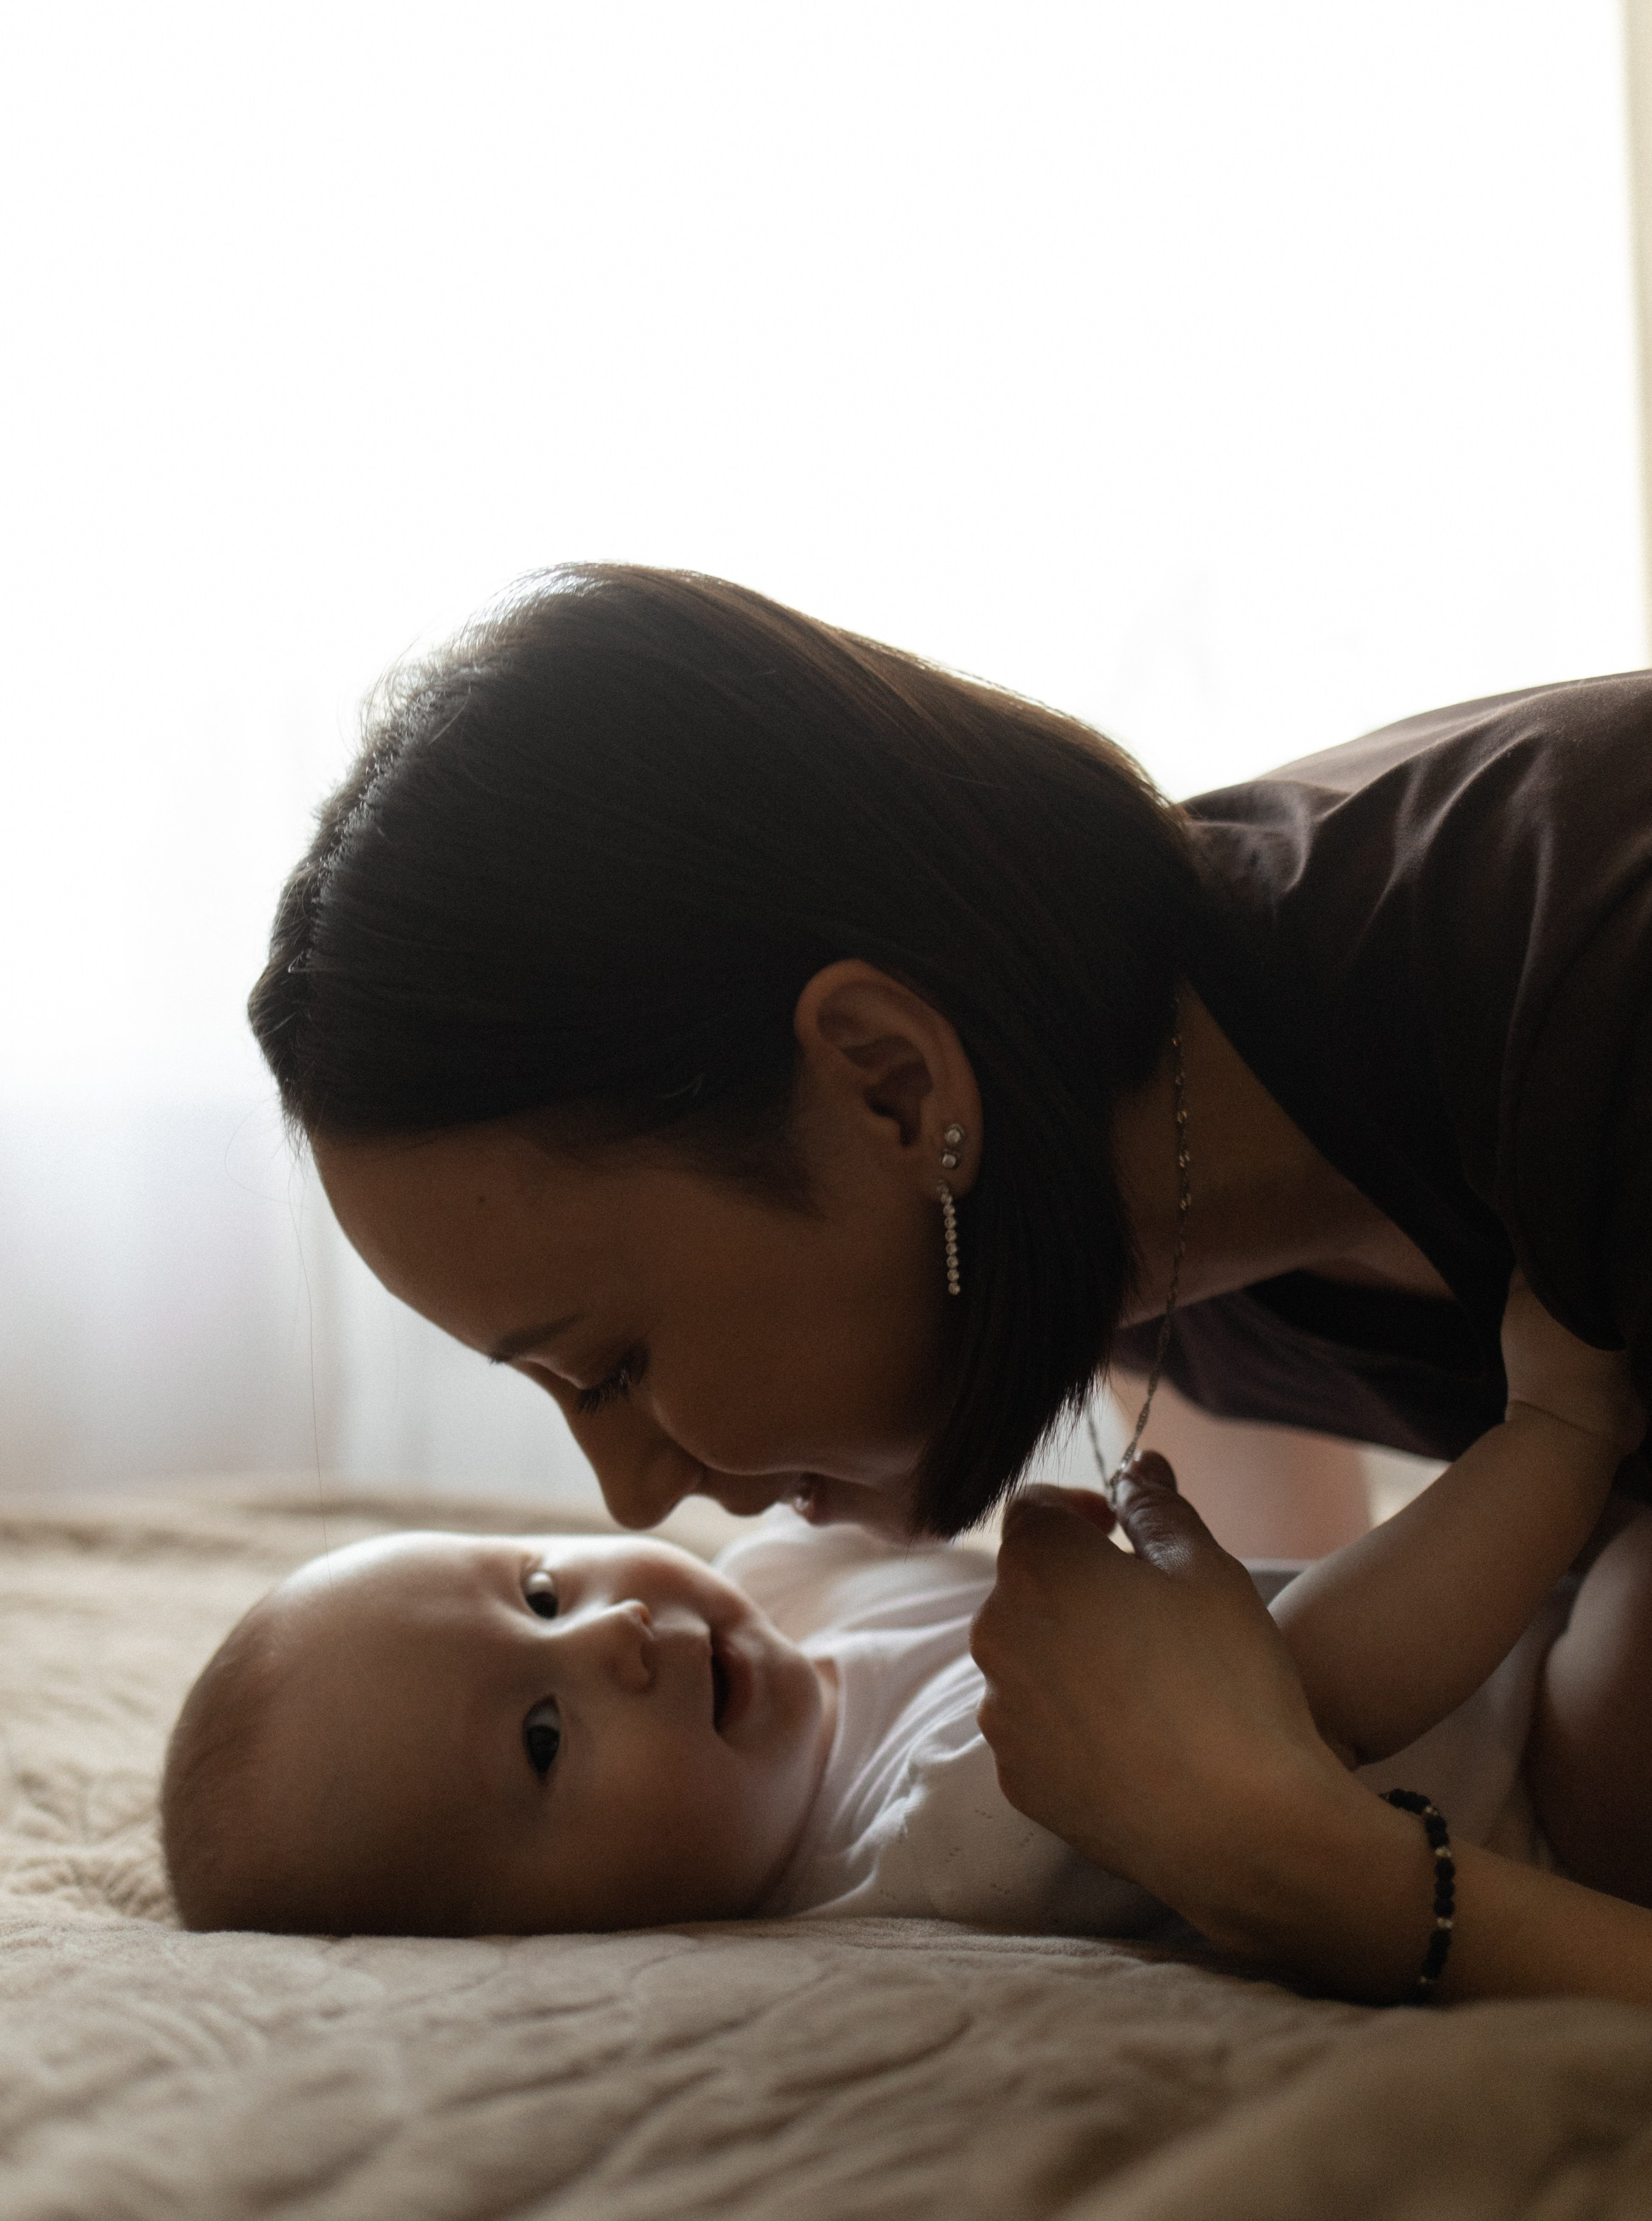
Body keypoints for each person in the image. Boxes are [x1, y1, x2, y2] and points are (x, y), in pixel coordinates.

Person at [248, 562, 1652, 1996]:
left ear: (892, 1086)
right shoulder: (1129, 1177)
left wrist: (1319, 1871)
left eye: (613, 1366)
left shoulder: (1594, 994)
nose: (633, 1497)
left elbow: (1304, 1700)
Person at [163, 1273, 1642, 1949]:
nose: (605, 1637)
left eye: (537, 1591)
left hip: (1476, 1636)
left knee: (1172, 1350)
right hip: (1546, 1789)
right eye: (543, 1738)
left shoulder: (775, 1588)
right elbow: (1294, 1695)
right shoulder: (937, 1830)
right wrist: (1552, 1441)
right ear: (548, 1941)